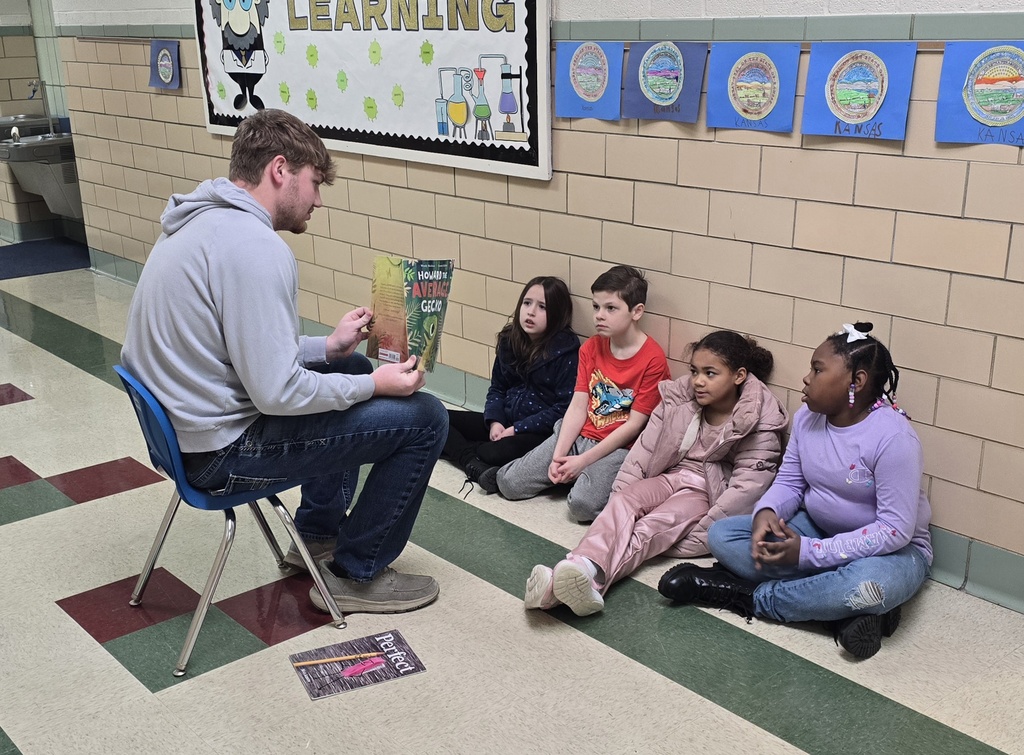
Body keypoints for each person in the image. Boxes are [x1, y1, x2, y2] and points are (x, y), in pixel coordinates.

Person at [120, 109, 448, 615]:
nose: (318, 199)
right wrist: (377, 388)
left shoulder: (199, 223)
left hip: (183, 438)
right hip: (221, 457)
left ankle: (317, 535)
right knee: (426, 418)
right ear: (280, 170)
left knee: (349, 368)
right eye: (315, 182)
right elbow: (277, 393)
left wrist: (328, 348)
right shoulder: (255, 247)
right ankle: (356, 574)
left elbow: (235, 349)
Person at [659, 323, 932, 659]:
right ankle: (841, 610)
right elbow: (790, 481)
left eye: (817, 370)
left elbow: (894, 530)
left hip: (891, 553)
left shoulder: (894, 438)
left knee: (866, 586)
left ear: (856, 382)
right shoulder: (807, 417)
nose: (806, 378)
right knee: (721, 535)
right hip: (816, 529)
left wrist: (808, 554)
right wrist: (767, 512)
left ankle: (747, 596)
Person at [524, 331, 788, 616]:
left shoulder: (759, 419)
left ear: (739, 376)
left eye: (710, 373)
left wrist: (705, 533)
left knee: (649, 527)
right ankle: (581, 571)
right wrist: (621, 490)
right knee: (624, 501)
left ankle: (570, 579)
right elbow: (644, 451)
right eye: (695, 371)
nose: (698, 381)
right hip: (668, 476)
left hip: (703, 492)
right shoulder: (679, 398)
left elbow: (747, 489)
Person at [490, 265, 670, 523]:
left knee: (582, 506)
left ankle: (580, 479)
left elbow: (634, 427)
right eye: (596, 307)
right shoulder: (591, 347)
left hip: (619, 447)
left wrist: (583, 461)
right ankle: (569, 475)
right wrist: (559, 456)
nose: (599, 316)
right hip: (581, 434)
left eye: (611, 308)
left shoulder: (653, 360)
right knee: (508, 484)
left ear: (636, 312)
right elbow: (577, 406)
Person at [442, 276, 579, 491]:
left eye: (542, 307)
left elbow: (563, 409)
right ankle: (471, 461)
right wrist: (495, 421)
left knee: (492, 452)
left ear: (558, 314)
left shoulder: (566, 352)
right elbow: (497, 387)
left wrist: (517, 429)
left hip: (536, 433)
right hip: (504, 422)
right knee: (439, 419)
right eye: (527, 303)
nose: (531, 312)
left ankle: (460, 452)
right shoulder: (510, 339)